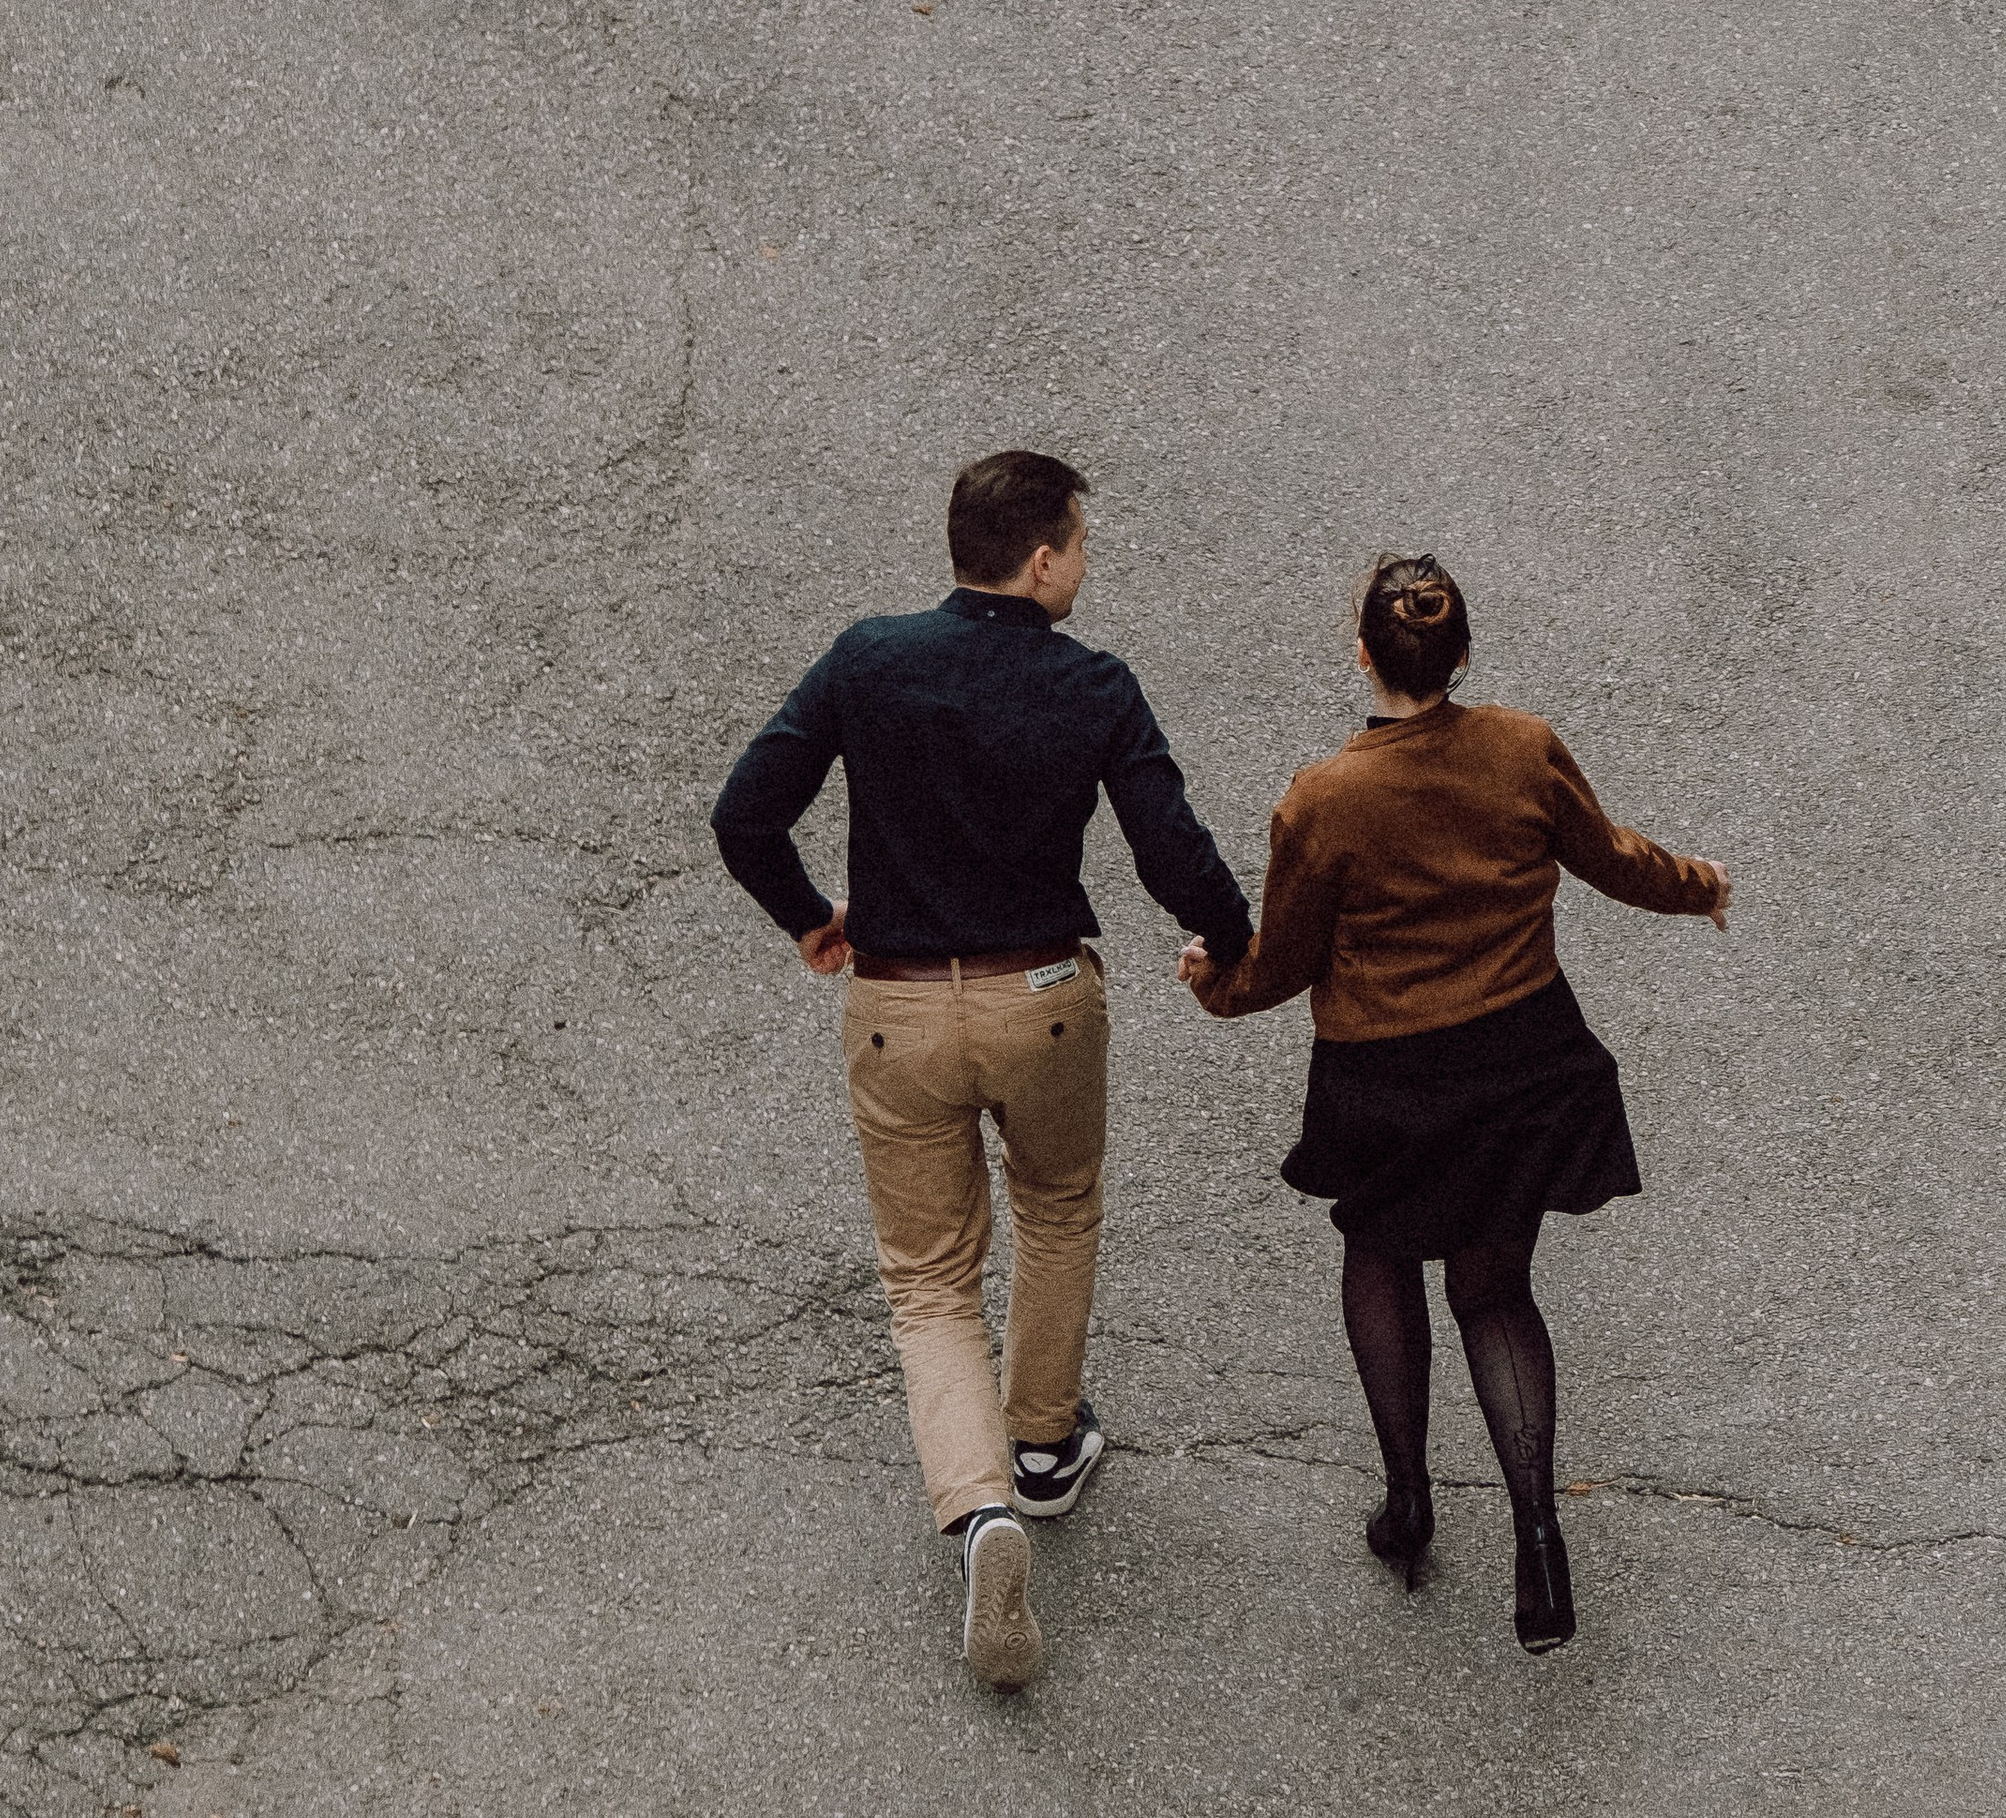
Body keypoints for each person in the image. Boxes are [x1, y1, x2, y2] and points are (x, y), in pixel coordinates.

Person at [712, 449, 1254, 1689]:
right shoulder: (1094, 686)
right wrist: (1236, 949)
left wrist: (809, 916)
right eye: (1080, 541)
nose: (1084, 561)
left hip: (898, 1009)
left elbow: (746, 812)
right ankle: (1046, 1445)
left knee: (928, 1279)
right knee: (1055, 1208)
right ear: (1045, 557)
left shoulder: (868, 658)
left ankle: (978, 1512)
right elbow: (1172, 850)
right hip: (1045, 1000)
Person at [1179, 553, 1729, 1652]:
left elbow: (1281, 962)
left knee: (1380, 1258)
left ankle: (1408, 1502)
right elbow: (1612, 860)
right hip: (1521, 1058)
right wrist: (1698, 884)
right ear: (1463, 655)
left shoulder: (1324, 799)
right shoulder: (1521, 748)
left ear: (1361, 654)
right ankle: (1535, 1542)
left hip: (1383, 1078)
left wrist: (1216, 987)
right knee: (1493, 1290)